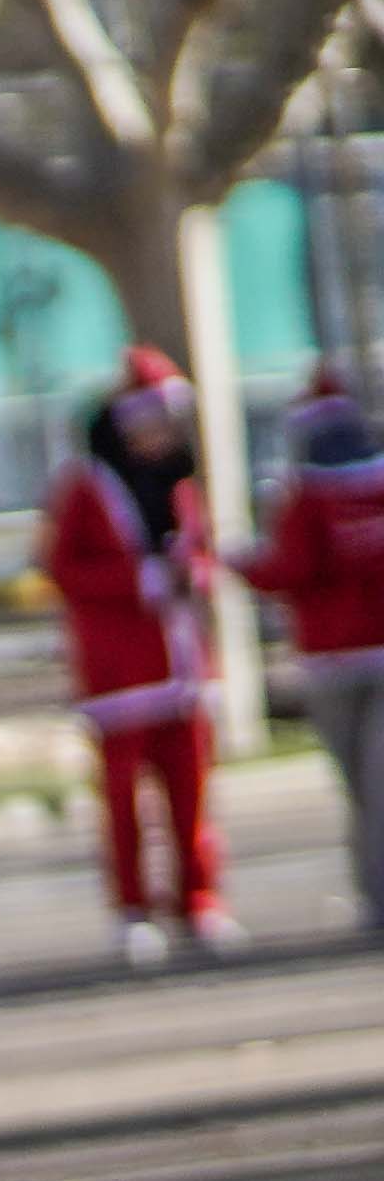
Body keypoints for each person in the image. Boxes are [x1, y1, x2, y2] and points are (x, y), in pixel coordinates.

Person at [39, 346, 235, 963]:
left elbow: (199, 552)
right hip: (119, 671)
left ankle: (199, 900)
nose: (164, 433)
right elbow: (62, 569)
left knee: (192, 791)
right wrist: (141, 582)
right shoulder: (85, 488)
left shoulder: (179, 487)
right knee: (125, 799)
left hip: (180, 663)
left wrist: (195, 574)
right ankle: (132, 907)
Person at [234, 361, 384, 931]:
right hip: (345, 657)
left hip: (334, 660)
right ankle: (374, 896)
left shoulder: (302, 501)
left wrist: (239, 565)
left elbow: (290, 569)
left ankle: (376, 899)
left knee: (364, 789)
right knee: (372, 786)